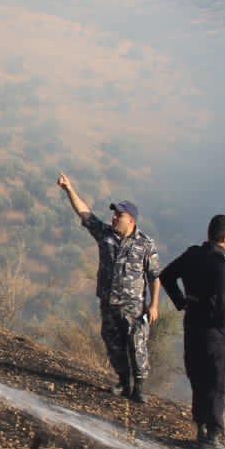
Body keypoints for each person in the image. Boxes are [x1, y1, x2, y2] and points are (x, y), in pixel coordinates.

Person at [56, 173, 161, 403]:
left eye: (119, 215)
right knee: (113, 344)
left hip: (133, 307)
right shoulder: (105, 235)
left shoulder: (145, 244)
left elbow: (154, 276)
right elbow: (85, 214)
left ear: (131, 220)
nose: (114, 218)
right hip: (108, 303)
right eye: (114, 214)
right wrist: (69, 189)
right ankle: (124, 382)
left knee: (137, 346)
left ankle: (139, 388)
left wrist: (153, 305)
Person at [159, 214, 225, 449]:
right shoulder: (222, 263)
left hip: (192, 323)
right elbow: (224, 300)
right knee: (216, 380)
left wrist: (182, 302)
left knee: (198, 376)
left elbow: (166, 276)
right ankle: (212, 438)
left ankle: (201, 431)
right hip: (215, 331)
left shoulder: (192, 254)